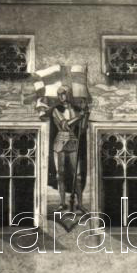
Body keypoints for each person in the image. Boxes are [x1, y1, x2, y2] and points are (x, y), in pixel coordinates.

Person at [50, 85, 87, 213]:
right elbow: (65, 125)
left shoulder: (77, 110)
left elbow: (82, 128)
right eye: (59, 94)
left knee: (77, 176)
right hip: (60, 141)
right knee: (60, 174)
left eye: (63, 93)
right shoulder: (56, 110)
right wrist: (79, 117)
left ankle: (80, 204)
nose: (61, 96)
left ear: (69, 94)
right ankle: (62, 203)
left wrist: (85, 114)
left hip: (73, 142)